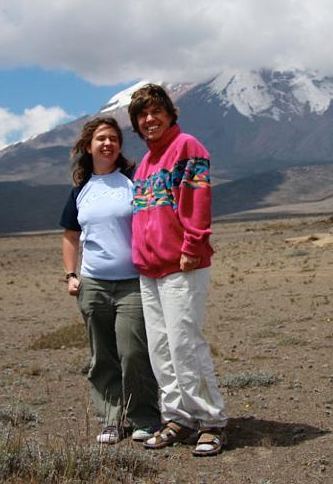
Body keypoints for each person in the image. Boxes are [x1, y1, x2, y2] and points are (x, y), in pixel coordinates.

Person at [128, 84, 228, 457]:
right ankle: (177, 417)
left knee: (185, 343)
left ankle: (211, 421)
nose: (149, 119)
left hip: (182, 263)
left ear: (170, 114)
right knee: (161, 349)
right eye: (141, 115)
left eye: (156, 111)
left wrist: (192, 246)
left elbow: (198, 202)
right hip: (149, 268)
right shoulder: (144, 163)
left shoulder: (188, 147)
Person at [59, 116, 160, 444]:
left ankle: (144, 417)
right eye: (101, 138)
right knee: (102, 356)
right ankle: (111, 421)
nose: (108, 143)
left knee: (133, 353)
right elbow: (71, 236)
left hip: (132, 282)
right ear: (88, 146)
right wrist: (71, 275)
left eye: (114, 138)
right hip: (94, 285)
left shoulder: (133, 180)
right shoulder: (80, 191)